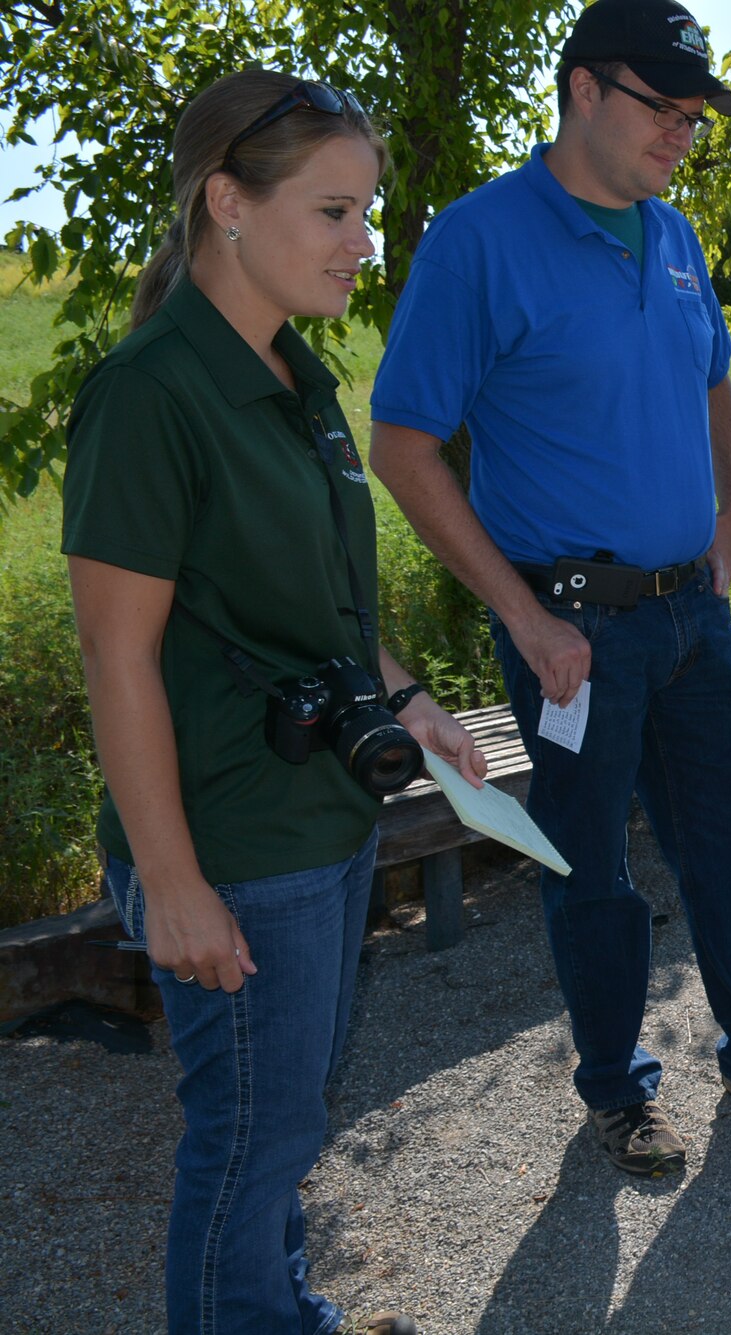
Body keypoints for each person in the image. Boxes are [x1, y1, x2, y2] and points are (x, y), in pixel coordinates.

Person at [369, 0, 731, 1176]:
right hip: (572, 633)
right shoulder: (479, 238)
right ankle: (615, 1089)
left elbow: (712, 379)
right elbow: (403, 443)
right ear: (583, 89)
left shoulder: (673, 235)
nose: (684, 131)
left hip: (693, 617)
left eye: (695, 112)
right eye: (665, 106)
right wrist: (522, 618)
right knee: (589, 869)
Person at [62, 70, 485, 1335]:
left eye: (369, 214)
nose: (366, 246)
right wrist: (172, 882)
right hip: (235, 847)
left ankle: (278, 1309)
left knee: (286, 1118)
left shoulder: (294, 377)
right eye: (337, 212)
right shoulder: (150, 396)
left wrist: (406, 697)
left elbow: (320, 610)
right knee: (252, 1136)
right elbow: (116, 660)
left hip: (323, 818)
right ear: (229, 204)